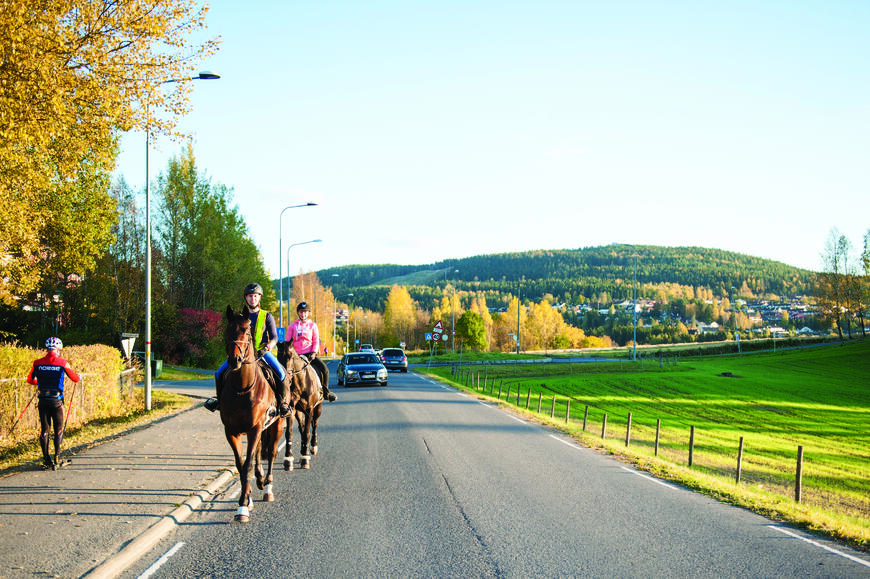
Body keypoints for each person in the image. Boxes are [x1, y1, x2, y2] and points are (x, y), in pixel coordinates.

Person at [204, 283, 291, 416]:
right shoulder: (240, 317)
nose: (253, 299)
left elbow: (274, 337)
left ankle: (282, 403)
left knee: (281, 374)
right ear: (246, 298)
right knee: (218, 373)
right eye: (250, 296)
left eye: (255, 296)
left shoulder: (266, 316)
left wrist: (267, 347)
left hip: (262, 352)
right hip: (242, 353)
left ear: (259, 298)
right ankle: (219, 401)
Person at [26, 337, 80, 470]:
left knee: (44, 430)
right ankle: (57, 458)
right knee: (58, 430)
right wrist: (79, 376)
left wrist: (41, 383)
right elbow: (75, 378)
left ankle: (46, 459)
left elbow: (30, 380)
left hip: (43, 399)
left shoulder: (37, 363)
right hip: (56, 400)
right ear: (58, 349)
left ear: (47, 349)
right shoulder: (62, 363)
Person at [286, 301, 337, 402]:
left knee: (325, 370)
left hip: (309, 355)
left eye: (305, 312)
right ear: (298, 313)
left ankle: (326, 392)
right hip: (296, 356)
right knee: (284, 371)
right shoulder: (292, 326)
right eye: (301, 312)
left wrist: (313, 352)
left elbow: (315, 340)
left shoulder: (313, 326)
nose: (303, 314)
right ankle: (282, 398)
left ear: (309, 313)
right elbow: (287, 342)